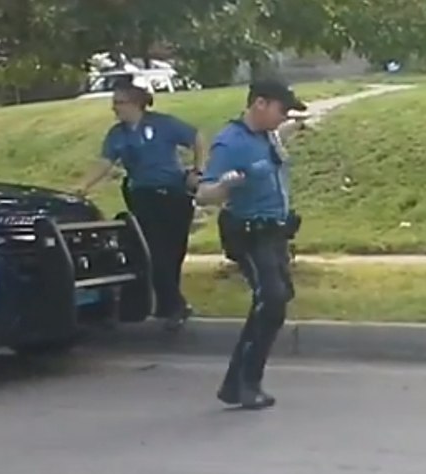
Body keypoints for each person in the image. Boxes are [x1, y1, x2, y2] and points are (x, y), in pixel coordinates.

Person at [195, 79, 307, 410]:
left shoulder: (267, 135)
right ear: (260, 104)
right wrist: (227, 185)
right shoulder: (230, 143)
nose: (284, 116)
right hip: (249, 232)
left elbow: (276, 144)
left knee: (277, 299)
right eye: (281, 110)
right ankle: (244, 383)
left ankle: (238, 384)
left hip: (274, 232)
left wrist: (294, 128)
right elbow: (204, 193)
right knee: (270, 299)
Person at [78, 80, 205, 331]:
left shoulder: (163, 124)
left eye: (119, 102)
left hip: (174, 194)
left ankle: (167, 305)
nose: (115, 108)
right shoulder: (117, 134)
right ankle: (176, 305)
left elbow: (197, 137)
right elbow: (105, 162)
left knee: (173, 252)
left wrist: (198, 171)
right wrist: (83, 186)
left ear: (135, 103)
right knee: (154, 252)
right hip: (144, 196)